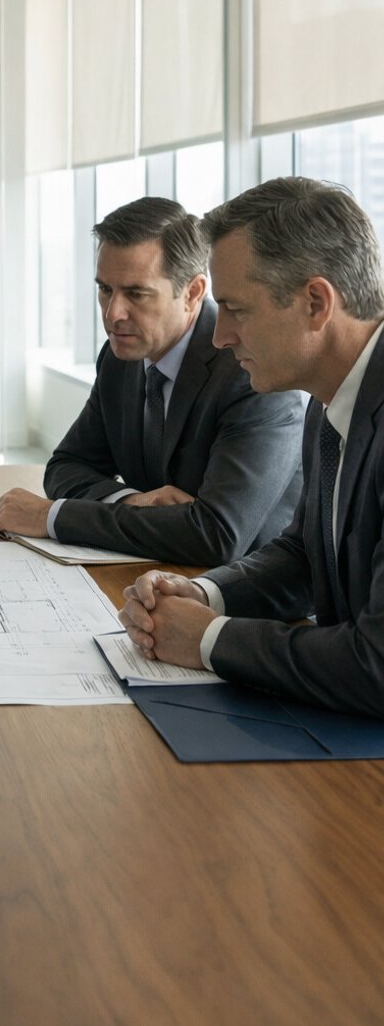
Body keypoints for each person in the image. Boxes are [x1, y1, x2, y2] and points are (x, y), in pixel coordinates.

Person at [121, 176, 384, 720]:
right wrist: (205, 595)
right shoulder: (329, 396)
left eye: (236, 309)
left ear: (316, 302)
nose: (220, 336)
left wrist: (211, 639)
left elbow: (377, 666)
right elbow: (308, 556)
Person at [0, 196, 303, 565]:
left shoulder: (250, 371)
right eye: (105, 289)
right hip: (150, 574)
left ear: (192, 293)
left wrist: (53, 517)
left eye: (136, 293)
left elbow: (215, 535)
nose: (113, 313)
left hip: (241, 595)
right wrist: (130, 500)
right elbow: (67, 465)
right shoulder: (120, 358)